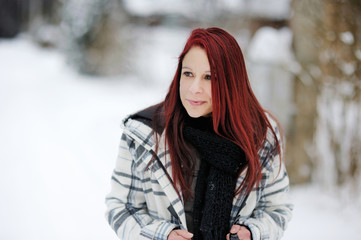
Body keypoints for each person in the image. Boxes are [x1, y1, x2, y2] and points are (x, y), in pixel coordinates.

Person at [105, 27, 293, 240]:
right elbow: (121, 207)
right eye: (188, 74)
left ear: (231, 82)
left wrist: (253, 232)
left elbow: (277, 208)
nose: (194, 88)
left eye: (209, 77)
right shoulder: (145, 134)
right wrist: (162, 236)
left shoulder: (260, 134)